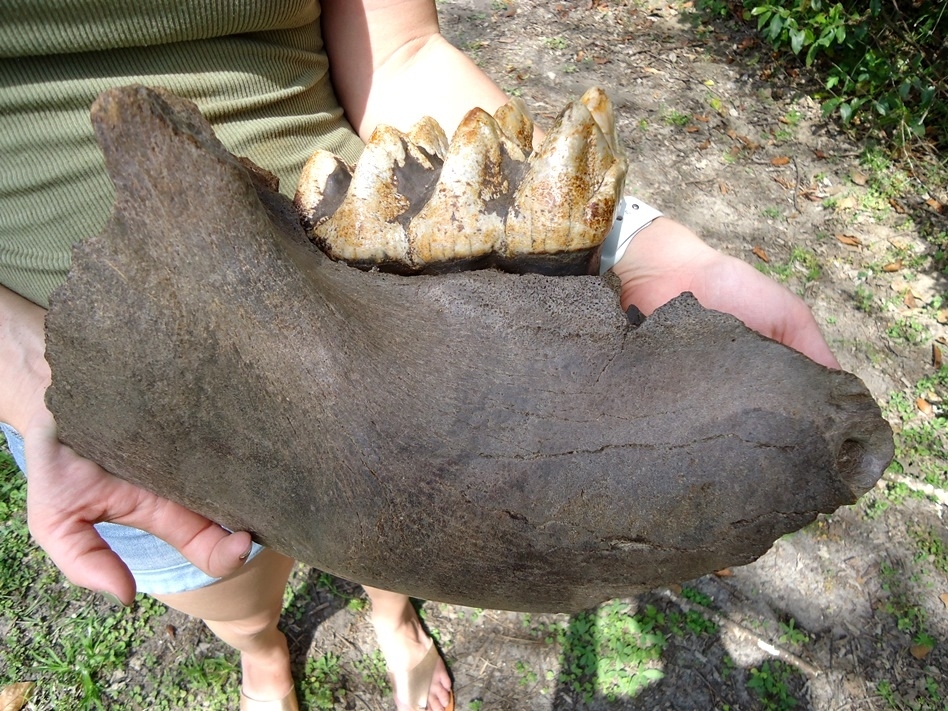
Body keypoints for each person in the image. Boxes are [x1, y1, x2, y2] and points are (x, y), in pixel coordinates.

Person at [0, 1, 840, 709]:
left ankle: (393, 615)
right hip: (120, 404)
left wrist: (645, 244)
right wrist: (36, 378)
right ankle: (262, 650)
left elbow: (400, 51)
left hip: (386, 295)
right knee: (231, 581)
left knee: (385, 532)